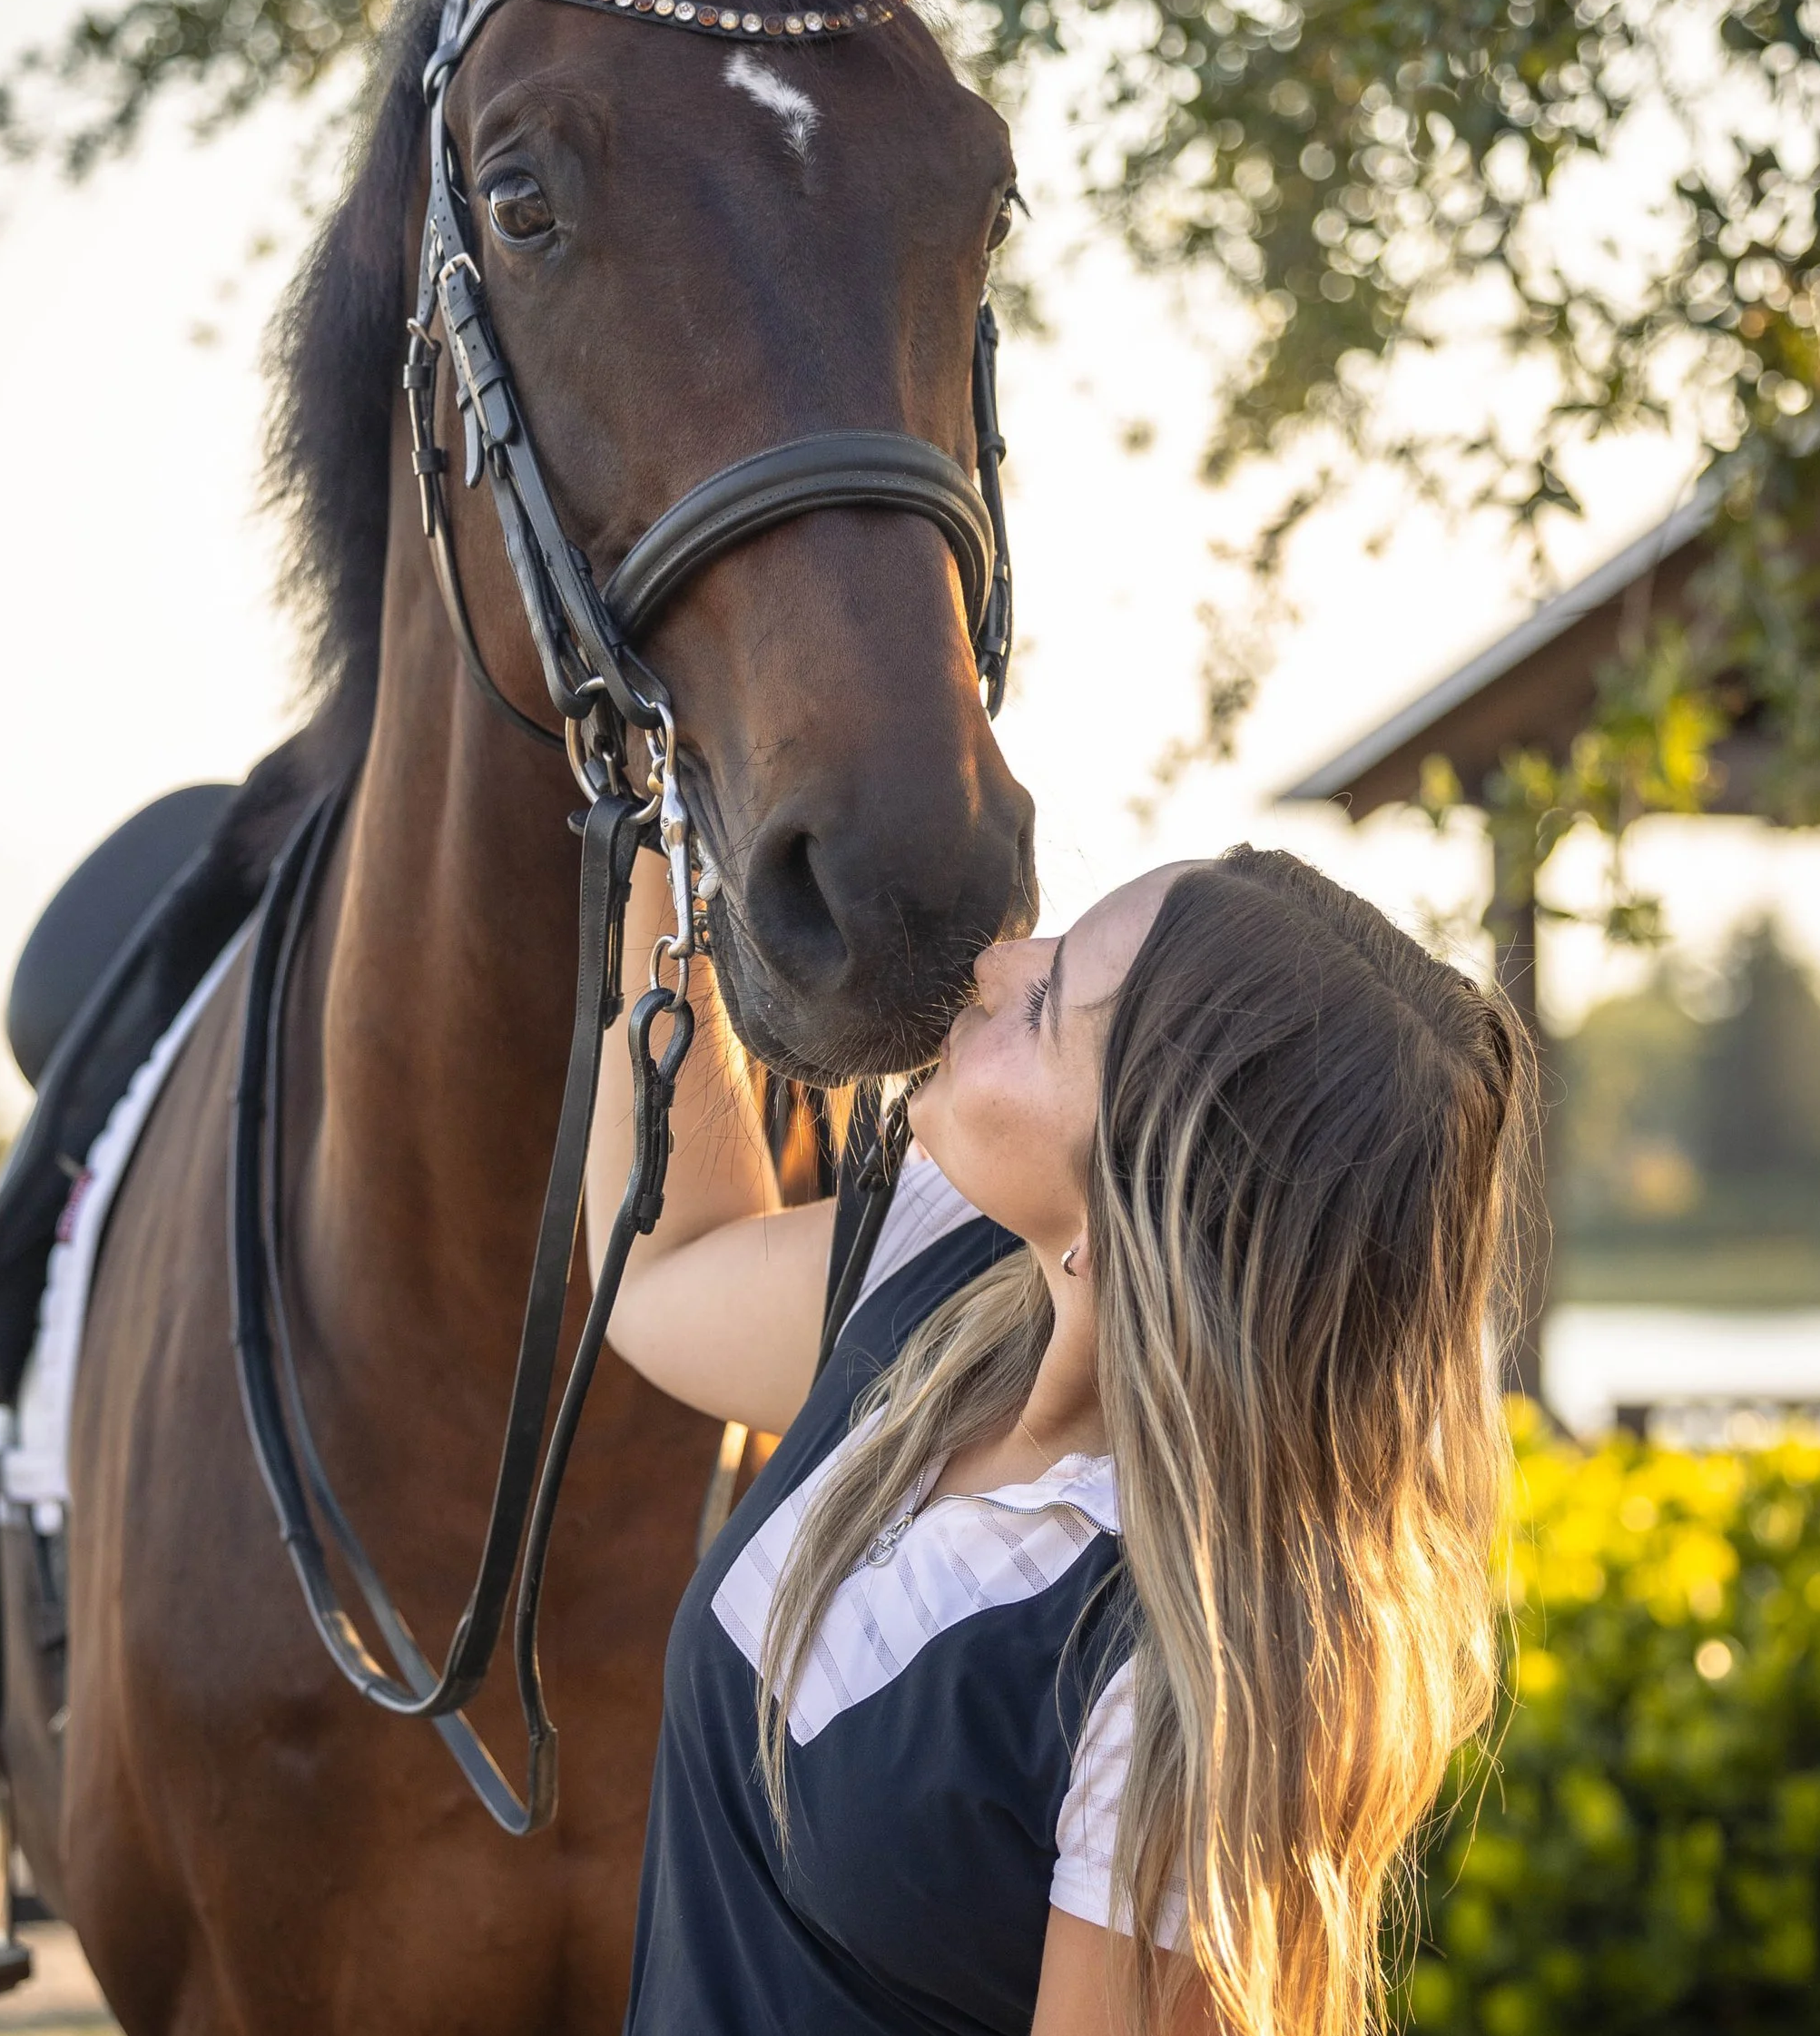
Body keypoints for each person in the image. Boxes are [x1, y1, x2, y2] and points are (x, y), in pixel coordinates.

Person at [585, 844, 1528, 2036]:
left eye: (1043, 1006)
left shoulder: (1182, 1688)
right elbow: (667, 1275)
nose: (989, 965)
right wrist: (660, 838)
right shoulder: (957, 1271)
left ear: (1134, 1216)